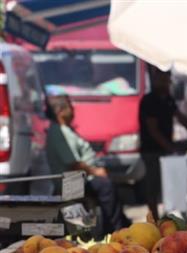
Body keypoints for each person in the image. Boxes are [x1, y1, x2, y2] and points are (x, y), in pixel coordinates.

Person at [44, 94, 130, 238]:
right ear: (60, 111)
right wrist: (95, 171)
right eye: (70, 107)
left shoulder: (65, 129)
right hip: (70, 182)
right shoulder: (58, 132)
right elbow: (73, 162)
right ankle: (113, 230)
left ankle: (122, 224)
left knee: (111, 186)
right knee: (105, 186)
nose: (73, 110)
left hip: (78, 177)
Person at [138, 66, 187, 220]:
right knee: (153, 186)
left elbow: (180, 117)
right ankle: (154, 220)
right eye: (163, 79)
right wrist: (170, 148)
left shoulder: (167, 98)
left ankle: (170, 215)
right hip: (152, 150)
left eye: (167, 80)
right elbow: (153, 129)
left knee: (169, 184)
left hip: (165, 149)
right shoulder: (149, 100)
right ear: (156, 80)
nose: (166, 83)